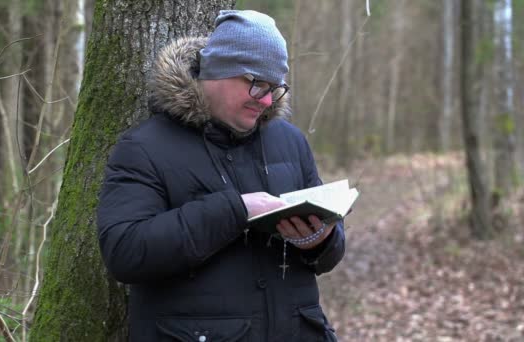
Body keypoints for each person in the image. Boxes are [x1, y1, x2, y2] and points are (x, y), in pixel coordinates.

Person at [97, 9, 345, 342]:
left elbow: (330, 249)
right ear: (219, 70)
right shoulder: (144, 148)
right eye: (257, 85)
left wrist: (320, 241)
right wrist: (236, 212)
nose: (267, 100)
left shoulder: (290, 141)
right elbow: (125, 252)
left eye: (276, 88)